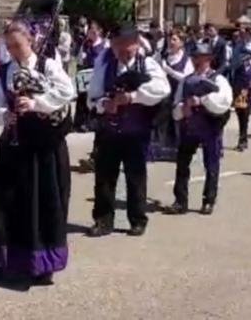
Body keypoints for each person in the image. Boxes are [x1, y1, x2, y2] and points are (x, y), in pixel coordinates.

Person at [0, 21, 74, 286]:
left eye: (19, 45)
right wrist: (8, 114)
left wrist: (36, 102)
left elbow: (66, 92)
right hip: (14, 145)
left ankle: (41, 265)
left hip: (45, 146)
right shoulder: (3, 71)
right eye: (10, 46)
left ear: (31, 42)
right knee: (0, 202)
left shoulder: (47, 65)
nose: (15, 50)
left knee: (42, 205)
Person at [86, 24, 170, 237]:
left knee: (136, 176)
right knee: (104, 177)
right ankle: (103, 220)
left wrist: (133, 97)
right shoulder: (105, 65)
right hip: (109, 130)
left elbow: (162, 89)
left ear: (136, 44)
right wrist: (104, 103)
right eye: (118, 47)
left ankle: (137, 220)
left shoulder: (148, 64)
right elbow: (92, 97)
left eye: (127, 47)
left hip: (136, 130)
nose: (123, 52)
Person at [167, 42, 233, 215]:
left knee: (211, 165)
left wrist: (202, 100)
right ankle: (180, 201)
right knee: (182, 164)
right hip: (189, 127)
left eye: (201, 58)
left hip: (210, 127)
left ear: (209, 60)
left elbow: (224, 103)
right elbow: (175, 107)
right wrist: (183, 109)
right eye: (195, 58)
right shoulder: (186, 81)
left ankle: (209, 200)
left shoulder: (218, 80)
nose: (197, 61)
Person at [151, 30, 193, 160]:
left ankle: (175, 152)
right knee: (159, 123)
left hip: (177, 94)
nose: (171, 42)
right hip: (163, 95)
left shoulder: (186, 59)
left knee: (175, 123)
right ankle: (156, 151)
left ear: (181, 42)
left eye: (174, 39)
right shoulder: (162, 56)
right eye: (170, 39)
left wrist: (168, 70)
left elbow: (186, 78)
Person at [73, 21, 107, 133]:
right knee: (83, 98)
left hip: (98, 74)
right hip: (86, 74)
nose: (91, 34)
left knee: (94, 98)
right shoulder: (86, 44)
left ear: (98, 32)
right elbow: (79, 59)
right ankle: (80, 122)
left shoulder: (104, 44)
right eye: (90, 31)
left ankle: (91, 123)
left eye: (93, 31)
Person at [230, 49, 251, 152]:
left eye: (246, 58)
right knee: (240, 118)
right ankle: (243, 139)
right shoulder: (238, 69)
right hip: (239, 96)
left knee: (245, 119)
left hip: (248, 96)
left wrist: (250, 90)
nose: (244, 60)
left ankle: (242, 141)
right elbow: (234, 82)